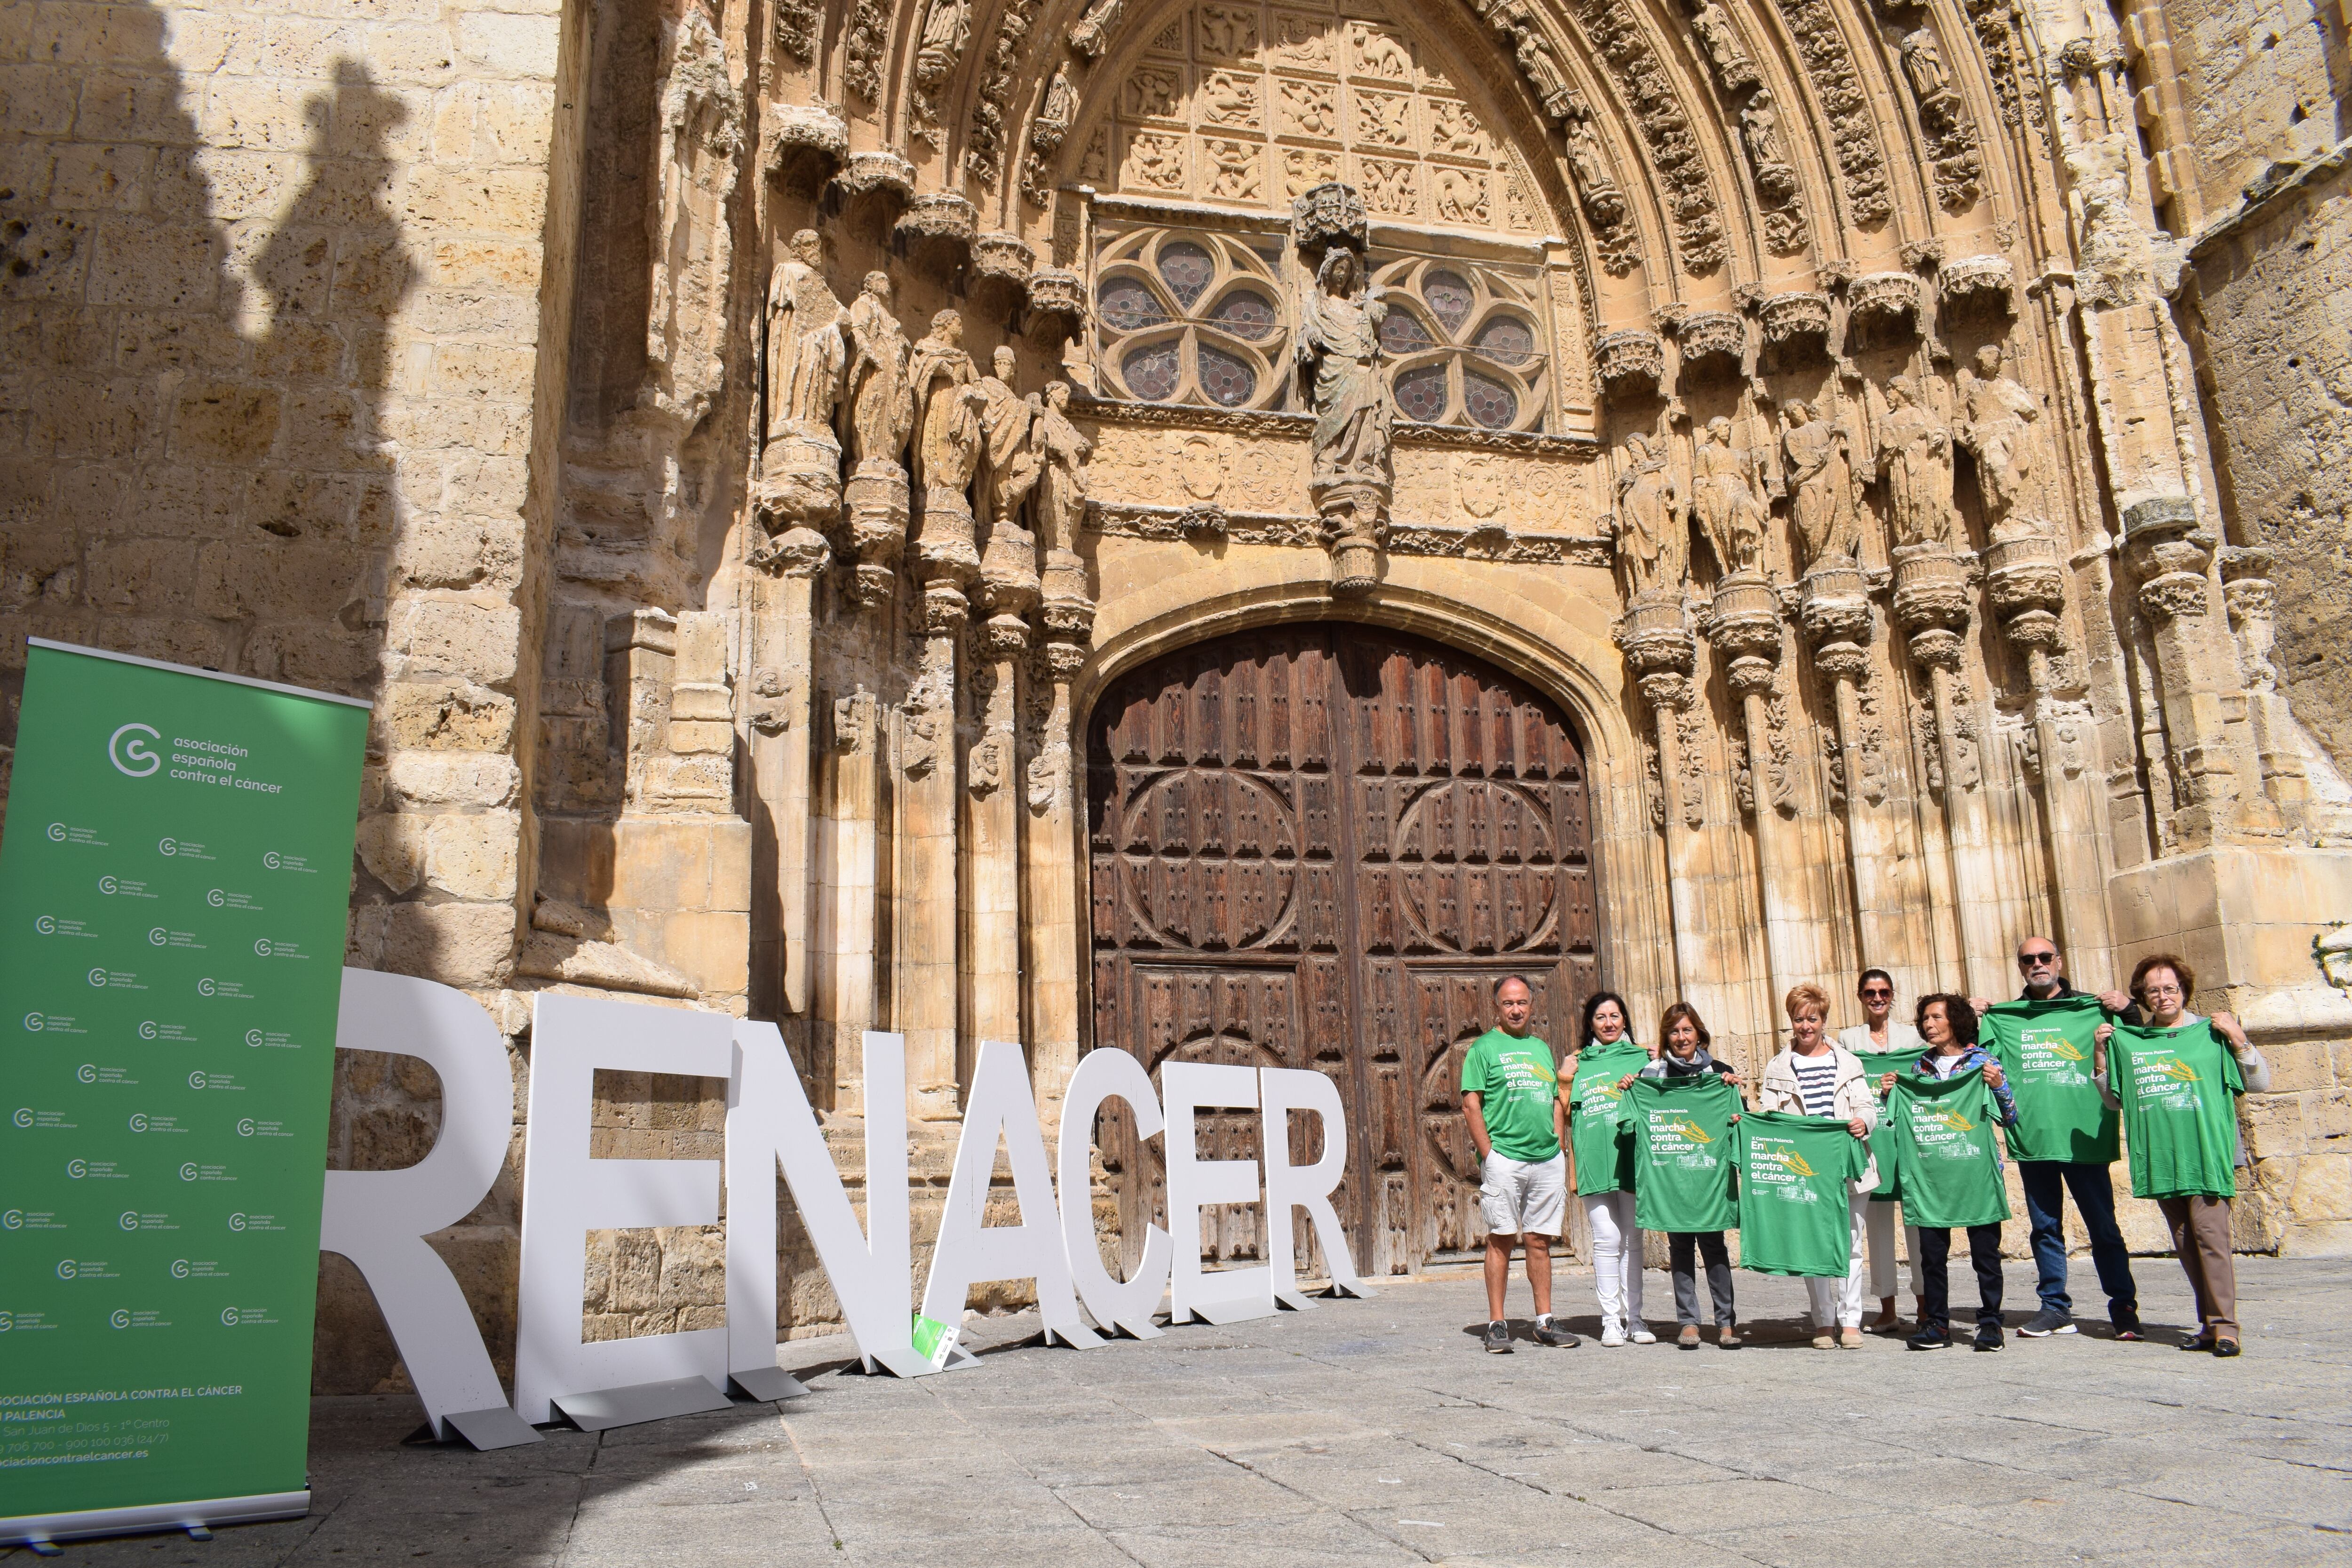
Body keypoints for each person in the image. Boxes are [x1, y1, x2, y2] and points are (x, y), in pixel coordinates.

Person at [2093, 955, 2271, 1357]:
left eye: (2170, 988)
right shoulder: (2132, 1040)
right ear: (2143, 995)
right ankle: (2209, 1324)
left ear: (2184, 991)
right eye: (2153, 990)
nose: (2162, 996)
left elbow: (2258, 1082)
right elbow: (2113, 1102)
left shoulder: (2210, 1033)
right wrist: (2101, 1056)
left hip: (2206, 1154)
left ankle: (2227, 1328)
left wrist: (2239, 1038)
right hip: (2163, 1157)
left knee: (2212, 1239)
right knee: (2186, 1244)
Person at [1972, 936, 2143, 1341]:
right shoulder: (2006, 1017)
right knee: (2044, 1227)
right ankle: (2054, 1307)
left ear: (2059, 961)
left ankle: (2124, 1308)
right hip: (2034, 1138)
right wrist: (1970, 1015)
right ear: (2020, 967)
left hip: (2084, 1135)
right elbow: (1972, 1056)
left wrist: (2131, 1010)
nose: (2037, 964)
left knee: (2104, 1227)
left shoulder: (2092, 1008)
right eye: (2028, 959)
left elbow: (2141, 1048)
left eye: (2044, 957)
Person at [1881, 996, 2017, 1351]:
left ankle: (1990, 1324)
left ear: (1954, 1020)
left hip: (1976, 1175)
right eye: (1924, 1017)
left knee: (1985, 1254)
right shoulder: (1919, 1069)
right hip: (1932, 1178)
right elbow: (1898, 1121)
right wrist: (1888, 1094)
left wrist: (1999, 1083)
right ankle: (1937, 1324)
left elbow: (2011, 1115)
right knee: (1932, 1255)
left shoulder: (1983, 1062)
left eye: (1936, 1016)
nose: (1928, 1023)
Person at [1462, 975, 1579, 1352]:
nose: (1516, 1009)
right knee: (1501, 1239)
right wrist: (1488, 1152)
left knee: (1539, 1241)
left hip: (1546, 1158)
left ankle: (1544, 1321)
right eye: (1509, 1003)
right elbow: (1471, 1102)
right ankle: (1497, 1323)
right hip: (1506, 1158)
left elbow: (1553, 1098)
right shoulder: (1483, 1048)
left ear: (1532, 1005)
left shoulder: (1541, 1048)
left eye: (1522, 1002)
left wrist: (1560, 1143)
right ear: (1497, 1006)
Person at [1757, 983, 1877, 1348]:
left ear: (1824, 1020)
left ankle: (1851, 1320)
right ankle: (1824, 1320)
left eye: (1813, 1018)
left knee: (1852, 1243)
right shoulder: (1778, 1067)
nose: (1806, 1026)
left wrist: (1863, 1122)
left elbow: (1867, 1105)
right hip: (1804, 1166)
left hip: (1847, 1161)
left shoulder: (1848, 1062)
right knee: (1812, 1244)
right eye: (1799, 1019)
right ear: (1791, 1022)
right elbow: (1769, 1115)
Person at [1624, 1003, 1743, 1349]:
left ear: (1699, 1034)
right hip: (1671, 1179)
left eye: (1687, 1030)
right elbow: (1633, 1117)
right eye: (1674, 1032)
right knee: (1680, 1247)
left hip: (1708, 1179)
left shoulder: (1720, 1073)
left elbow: (1739, 1117)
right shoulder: (1651, 1075)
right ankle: (1688, 1321)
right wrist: (1630, 1087)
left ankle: (1726, 1322)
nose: (1681, 1037)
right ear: (1666, 1037)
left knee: (1713, 1247)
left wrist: (1732, 1094)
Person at [1836, 968, 1924, 1333]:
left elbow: (1925, 1076)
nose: (1877, 998)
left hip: (1906, 1135)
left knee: (1919, 1222)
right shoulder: (1848, 1038)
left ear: (1892, 994)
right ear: (1860, 996)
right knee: (1877, 1226)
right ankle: (1887, 1307)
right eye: (1870, 992)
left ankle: (1924, 1304)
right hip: (1869, 1139)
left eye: (1884, 991)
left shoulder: (1913, 1036)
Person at [1565, 991, 1653, 1346]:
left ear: (1625, 1020)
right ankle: (1610, 1321)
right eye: (1601, 1017)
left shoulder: (1643, 1059)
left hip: (1632, 1159)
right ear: (1590, 1023)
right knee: (1607, 1237)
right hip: (1593, 1161)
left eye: (1615, 1016)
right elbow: (1562, 1109)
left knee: (1633, 1238)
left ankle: (1636, 1318)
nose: (1609, 1023)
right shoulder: (1575, 1064)